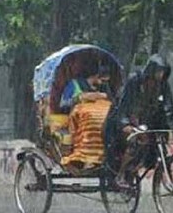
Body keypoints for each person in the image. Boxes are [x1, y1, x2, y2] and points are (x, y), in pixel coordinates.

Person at [104, 54, 173, 188]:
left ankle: (139, 167)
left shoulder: (163, 86)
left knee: (158, 145)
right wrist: (126, 124)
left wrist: (169, 127)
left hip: (147, 122)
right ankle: (121, 175)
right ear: (151, 70)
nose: (160, 75)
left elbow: (167, 108)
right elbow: (123, 106)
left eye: (163, 72)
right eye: (158, 71)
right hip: (124, 120)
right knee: (135, 141)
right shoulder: (134, 81)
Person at [59, 65, 113, 169]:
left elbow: (110, 103)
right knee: (91, 126)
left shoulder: (103, 87)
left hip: (100, 115)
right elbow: (63, 104)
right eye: (102, 80)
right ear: (95, 76)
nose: (103, 83)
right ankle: (87, 157)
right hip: (80, 118)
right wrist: (80, 98)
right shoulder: (74, 84)